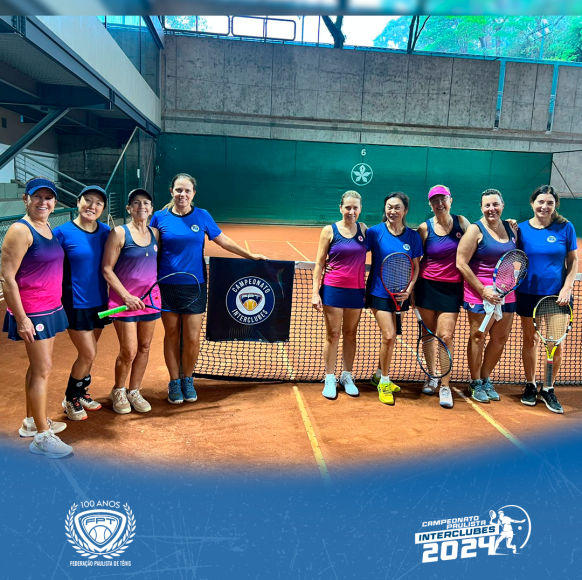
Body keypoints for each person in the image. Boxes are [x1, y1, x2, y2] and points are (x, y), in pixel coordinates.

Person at [149, 174, 266, 405]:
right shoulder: (159, 217)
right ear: (171, 191)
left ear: (194, 193)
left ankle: (187, 379)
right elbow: (151, 249)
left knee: (192, 337)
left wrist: (249, 255)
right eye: (178, 190)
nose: (182, 194)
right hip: (166, 286)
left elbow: (223, 240)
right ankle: (174, 381)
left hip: (195, 287)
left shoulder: (202, 215)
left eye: (187, 190)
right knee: (171, 335)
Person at [0, 178, 71, 458]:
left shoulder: (47, 226)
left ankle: (31, 422)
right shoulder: (20, 230)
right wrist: (22, 318)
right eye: (37, 196)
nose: (43, 202)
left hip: (50, 306)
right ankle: (42, 436)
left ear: (54, 202)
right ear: (26, 199)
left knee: (37, 367)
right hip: (33, 310)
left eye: (48, 198)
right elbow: (7, 278)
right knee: (43, 370)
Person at [517, 185, 578, 414]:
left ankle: (548, 388)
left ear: (555, 205)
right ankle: (531, 385)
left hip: (557, 296)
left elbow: (573, 260)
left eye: (550, 203)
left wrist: (567, 287)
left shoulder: (565, 227)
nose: (544, 206)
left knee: (555, 343)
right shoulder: (520, 229)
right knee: (530, 340)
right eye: (540, 202)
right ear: (532, 203)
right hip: (527, 293)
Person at [456, 189, 518, 404]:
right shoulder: (475, 230)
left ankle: (485, 378)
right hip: (480, 293)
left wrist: (504, 288)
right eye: (487, 205)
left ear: (503, 205)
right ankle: (475, 381)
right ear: (481, 208)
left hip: (507, 293)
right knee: (478, 337)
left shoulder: (511, 228)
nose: (492, 209)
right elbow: (461, 263)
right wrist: (483, 290)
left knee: (500, 338)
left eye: (495, 204)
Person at [54, 186, 110, 421]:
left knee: (91, 352)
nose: (92, 206)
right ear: (78, 202)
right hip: (74, 302)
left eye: (98, 203)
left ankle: (81, 392)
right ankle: (70, 398)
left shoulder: (106, 232)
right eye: (88, 200)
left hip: (100, 302)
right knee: (88, 352)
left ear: (103, 209)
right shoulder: (61, 232)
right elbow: (49, 265)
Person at [102, 188, 160, 414]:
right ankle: (118, 390)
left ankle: (134, 390)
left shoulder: (155, 234)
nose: (141, 206)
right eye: (136, 203)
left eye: (145, 203)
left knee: (144, 347)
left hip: (150, 301)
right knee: (129, 351)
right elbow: (107, 269)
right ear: (129, 208)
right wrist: (126, 296)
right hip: (123, 302)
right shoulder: (119, 233)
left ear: (151, 209)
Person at [416, 185, 470, 409]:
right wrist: (411, 290)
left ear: (450, 200)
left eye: (443, 199)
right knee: (428, 335)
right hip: (426, 286)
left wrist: (509, 224)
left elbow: (480, 238)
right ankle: (432, 376)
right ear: (430, 204)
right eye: (435, 201)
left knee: (446, 336)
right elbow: (416, 261)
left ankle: (445, 385)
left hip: (451, 289)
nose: (439, 204)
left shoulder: (462, 223)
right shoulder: (424, 228)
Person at [366, 192, 422, 406]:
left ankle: (378, 375)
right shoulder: (375, 232)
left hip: (401, 294)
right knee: (389, 336)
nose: (392, 211)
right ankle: (384, 382)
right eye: (389, 207)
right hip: (379, 292)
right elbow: (355, 248)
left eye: (397, 207)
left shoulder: (413, 237)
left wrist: (409, 290)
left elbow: (416, 267)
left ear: (405, 210)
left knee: (392, 338)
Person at [312, 191, 367, 399]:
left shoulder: (364, 230)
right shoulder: (329, 230)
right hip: (333, 289)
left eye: (355, 208)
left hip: (356, 291)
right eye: (348, 207)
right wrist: (315, 292)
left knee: (351, 334)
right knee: (333, 334)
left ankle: (347, 376)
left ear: (360, 209)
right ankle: (329, 377)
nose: (351, 211)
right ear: (340, 208)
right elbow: (319, 263)